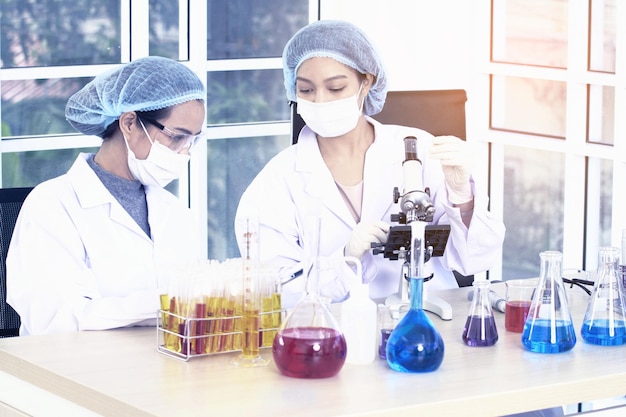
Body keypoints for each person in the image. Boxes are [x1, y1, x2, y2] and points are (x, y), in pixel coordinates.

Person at [234, 20, 506, 308]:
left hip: (430, 317)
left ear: (367, 82)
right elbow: (277, 291)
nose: (321, 101)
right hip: (333, 331)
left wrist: (462, 197)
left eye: (336, 87)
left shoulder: (419, 149)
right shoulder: (277, 181)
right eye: (306, 90)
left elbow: (475, 259)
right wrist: (344, 260)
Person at [6, 56, 206, 335]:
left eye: (193, 140)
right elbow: (54, 321)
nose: (185, 152)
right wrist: (161, 304)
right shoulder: (52, 205)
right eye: (177, 136)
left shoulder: (174, 212)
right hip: (73, 371)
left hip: (162, 368)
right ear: (129, 123)